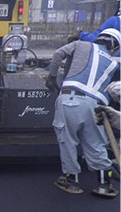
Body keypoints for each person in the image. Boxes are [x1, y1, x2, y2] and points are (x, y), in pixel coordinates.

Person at [45, 28, 121, 197]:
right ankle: (104, 184)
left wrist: (52, 78)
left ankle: (71, 181)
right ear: (114, 47)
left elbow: (58, 54)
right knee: (96, 143)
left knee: (68, 140)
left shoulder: (80, 45)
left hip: (69, 99)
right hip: (95, 105)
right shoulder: (115, 63)